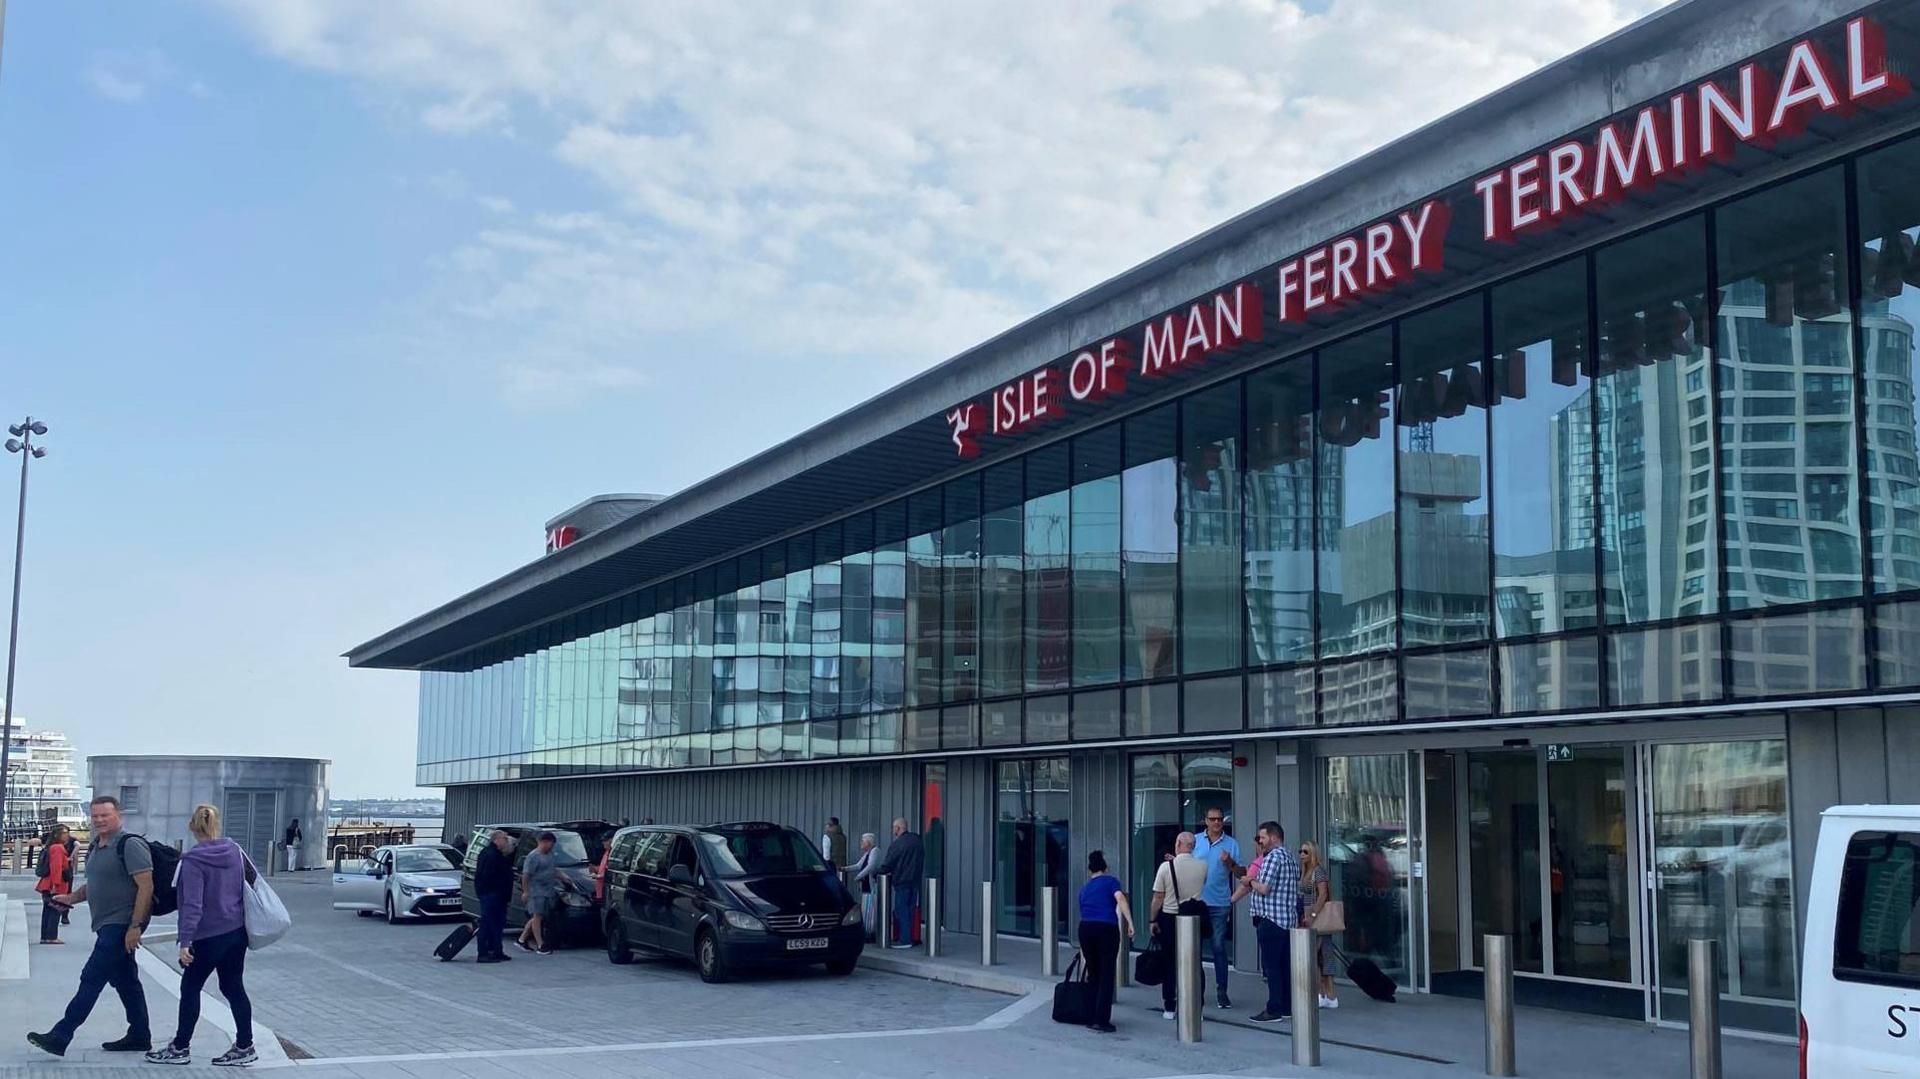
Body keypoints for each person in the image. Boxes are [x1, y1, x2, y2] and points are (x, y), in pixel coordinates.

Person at [29, 795, 153, 1058]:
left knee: (92, 978)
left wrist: (135, 926)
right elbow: (96, 884)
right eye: (95, 816)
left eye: (104, 815)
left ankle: (61, 1035)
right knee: (127, 981)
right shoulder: (97, 845)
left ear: (118, 815)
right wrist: (72, 897)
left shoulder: (130, 845)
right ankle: (140, 1035)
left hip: (119, 925)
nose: (98, 820)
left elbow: (146, 886)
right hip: (105, 924)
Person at [146, 805, 256, 1067]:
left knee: (191, 987)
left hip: (208, 936)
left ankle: (180, 1047)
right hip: (236, 931)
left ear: (193, 828)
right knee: (233, 986)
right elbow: (251, 882)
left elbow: (193, 904)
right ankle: (245, 1045)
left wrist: (185, 942)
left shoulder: (193, 861)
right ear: (216, 825)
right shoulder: (234, 851)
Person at [1230, 820, 1300, 1025]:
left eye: (1262, 837)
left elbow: (1264, 888)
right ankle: (1287, 1006)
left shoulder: (1272, 858)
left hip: (1270, 918)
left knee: (1272, 968)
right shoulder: (1291, 857)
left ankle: (1274, 1008)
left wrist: (1248, 881)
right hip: (1287, 919)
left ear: (1273, 836)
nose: (1259, 841)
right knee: (1284, 966)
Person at [1149, 831, 1210, 1020]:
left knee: (1169, 963)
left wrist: (1152, 920)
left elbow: (1158, 897)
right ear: (1193, 846)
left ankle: (1170, 1005)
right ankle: (1196, 1007)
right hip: (1193, 918)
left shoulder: (1166, 868)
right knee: (1195, 963)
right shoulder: (1203, 866)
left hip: (1170, 917)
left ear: (1178, 843)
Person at [1076, 850, 1133, 1034]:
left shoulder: (1084, 889)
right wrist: (1130, 922)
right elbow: (1120, 898)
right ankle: (1102, 1020)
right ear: (1105, 867)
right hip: (1106, 929)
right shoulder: (1111, 881)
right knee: (1107, 974)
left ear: (1089, 870)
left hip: (1085, 929)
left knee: (1093, 973)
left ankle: (1090, 1014)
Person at [1192, 806, 1242, 1008]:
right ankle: (1195, 990)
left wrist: (1229, 861)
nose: (1216, 823)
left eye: (1220, 819)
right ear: (1206, 821)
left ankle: (1222, 991)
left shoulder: (1231, 843)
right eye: (1212, 819)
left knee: (1219, 947)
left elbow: (1241, 873)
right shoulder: (1194, 840)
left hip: (1219, 903)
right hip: (1195, 901)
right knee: (1192, 948)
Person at [1298, 840, 1337, 1008]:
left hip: (1317, 915)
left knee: (1315, 954)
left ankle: (1325, 993)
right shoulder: (1306, 871)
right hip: (1309, 914)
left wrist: (1313, 913)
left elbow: (1323, 894)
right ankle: (1326, 994)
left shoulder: (1318, 871)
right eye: (1300, 851)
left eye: (1305, 852)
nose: (1302, 855)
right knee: (1319, 955)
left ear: (1313, 854)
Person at [876, 818, 923, 949]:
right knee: (910, 909)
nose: (893, 830)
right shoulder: (917, 841)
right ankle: (911, 937)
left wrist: (878, 873)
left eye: (893, 827)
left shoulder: (897, 844)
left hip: (901, 881)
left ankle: (905, 939)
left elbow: (888, 863)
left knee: (901, 910)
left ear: (898, 828)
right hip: (915, 881)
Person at [516, 831, 560, 955]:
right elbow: (526, 875)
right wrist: (525, 891)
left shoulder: (550, 855)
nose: (551, 846)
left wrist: (565, 878)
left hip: (547, 890)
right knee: (537, 916)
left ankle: (522, 939)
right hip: (536, 891)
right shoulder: (533, 856)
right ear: (543, 842)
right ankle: (541, 944)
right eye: (550, 844)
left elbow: (553, 870)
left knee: (537, 917)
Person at [474, 829, 514, 964]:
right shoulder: (491, 855)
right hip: (492, 894)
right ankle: (484, 953)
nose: (507, 841)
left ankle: (496, 951)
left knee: (497, 924)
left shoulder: (496, 854)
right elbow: (487, 876)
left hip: (496, 895)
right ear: (496, 840)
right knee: (487, 924)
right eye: (505, 839)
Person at [35, 825, 73, 944]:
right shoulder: (58, 848)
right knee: (55, 910)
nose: (67, 835)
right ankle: (51, 936)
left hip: (48, 883)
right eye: (65, 833)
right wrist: (55, 885)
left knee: (48, 910)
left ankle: (45, 936)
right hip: (55, 884)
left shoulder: (52, 847)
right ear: (57, 835)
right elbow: (56, 868)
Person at [845, 832, 879, 939]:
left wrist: (858, 876)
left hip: (871, 886)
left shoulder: (875, 851)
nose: (861, 843)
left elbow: (870, 866)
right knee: (865, 910)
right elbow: (858, 865)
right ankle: (867, 931)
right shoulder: (867, 854)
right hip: (865, 886)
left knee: (870, 910)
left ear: (868, 843)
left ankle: (870, 932)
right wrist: (844, 869)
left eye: (863, 841)